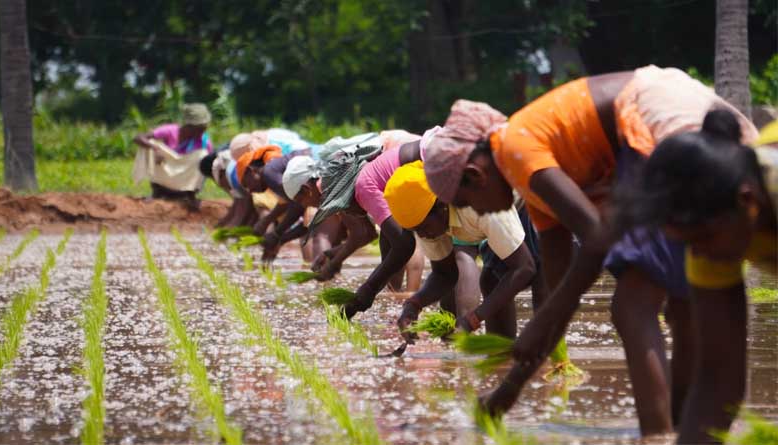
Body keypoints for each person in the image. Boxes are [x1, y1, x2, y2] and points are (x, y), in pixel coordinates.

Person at [422, 66, 758, 437]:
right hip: (672, 114)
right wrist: (510, 389)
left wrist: (539, 325)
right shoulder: (531, 180)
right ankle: (679, 428)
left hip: (657, 120)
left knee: (633, 303)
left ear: (475, 173)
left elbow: (596, 237)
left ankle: (659, 434)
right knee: (676, 300)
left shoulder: (515, 149)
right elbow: (560, 285)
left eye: (466, 201)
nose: (478, 213)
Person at [613, 109, 775, 444]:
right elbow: (718, 381)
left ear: (747, 202)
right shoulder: (711, 235)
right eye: (685, 243)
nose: (697, 255)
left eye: (701, 240)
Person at [384, 161, 541, 340]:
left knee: (540, 282)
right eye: (415, 230)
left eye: (424, 227)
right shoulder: (426, 219)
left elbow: (524, 267)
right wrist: (413, 305)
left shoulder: (479, 205)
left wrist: (473, 319)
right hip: (499, 210)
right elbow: (444, 274)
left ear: (442, 206)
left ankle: (548, 358)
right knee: (491, 279)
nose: (423, 235)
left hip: (529, 194)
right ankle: (502, 357)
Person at [304, 131, 428, 319]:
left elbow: (405, 243)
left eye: (343, 207)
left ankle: (411, 296)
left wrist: (367, 290)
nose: (345, 213)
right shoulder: (372, 181)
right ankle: (400, 299)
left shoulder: (364, 186)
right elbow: (388, 247)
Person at [133, 103, 214, 208]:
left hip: (184, 185)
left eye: (204, 128)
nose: (202, 131)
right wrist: (154, 149)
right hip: (164, 177)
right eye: (199, 128)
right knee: (152, 143)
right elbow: (138, 138)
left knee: (203, 156)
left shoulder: (204, 142)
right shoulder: (170, 130)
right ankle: (157, 191)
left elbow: (209, 167)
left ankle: (190, 195)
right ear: (189, 125)